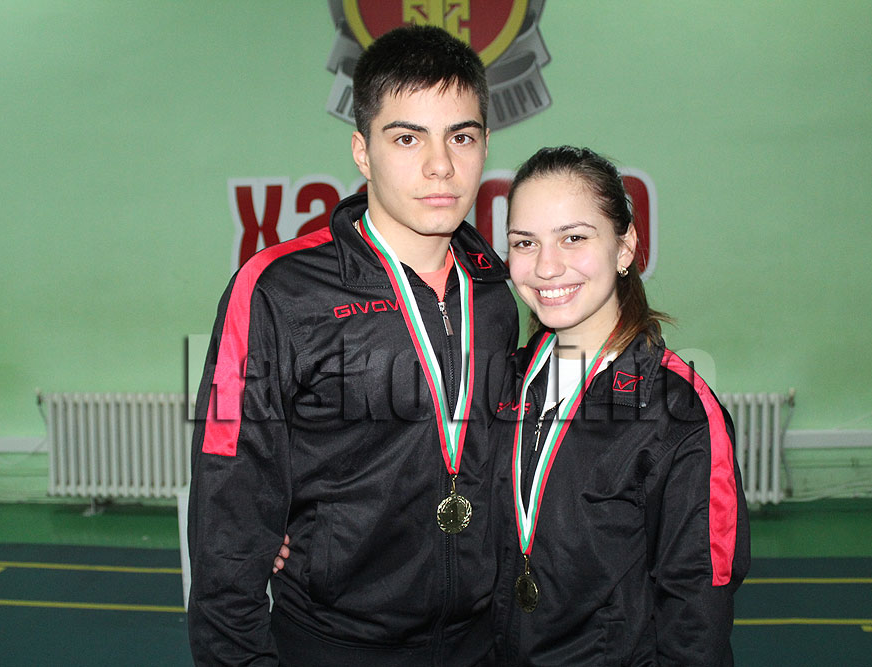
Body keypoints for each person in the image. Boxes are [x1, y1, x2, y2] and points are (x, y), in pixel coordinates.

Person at [187, 25, 518, 665]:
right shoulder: (279, 290)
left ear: (484, 145)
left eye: (461, 137)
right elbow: (229, 504)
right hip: (333, 643)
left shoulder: (496, 291)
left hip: (480, 641)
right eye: (407, 138)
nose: (440, 166)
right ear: (362, 152)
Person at [490, 146, 750, 665]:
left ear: (625, 248)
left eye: (574, 237)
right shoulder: (503, 382)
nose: (546, 266)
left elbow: (696, 614)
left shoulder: (679, 413)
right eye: (525, 242)